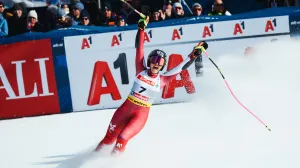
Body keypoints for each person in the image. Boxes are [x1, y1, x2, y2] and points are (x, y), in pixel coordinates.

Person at [94, 16, 208, 156]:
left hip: (140, 115)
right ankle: (90, 160)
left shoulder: (163, 79)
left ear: (162, 66)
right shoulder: (140, 69)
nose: (156, 64)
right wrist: (141, 29)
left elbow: (181, 67)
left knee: (122, 138)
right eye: (154, 60)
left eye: (160, 63)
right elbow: (139, 48)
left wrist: (194, 54)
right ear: (149, 61)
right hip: (125, 110)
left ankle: (111, 164)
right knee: (109, 138)